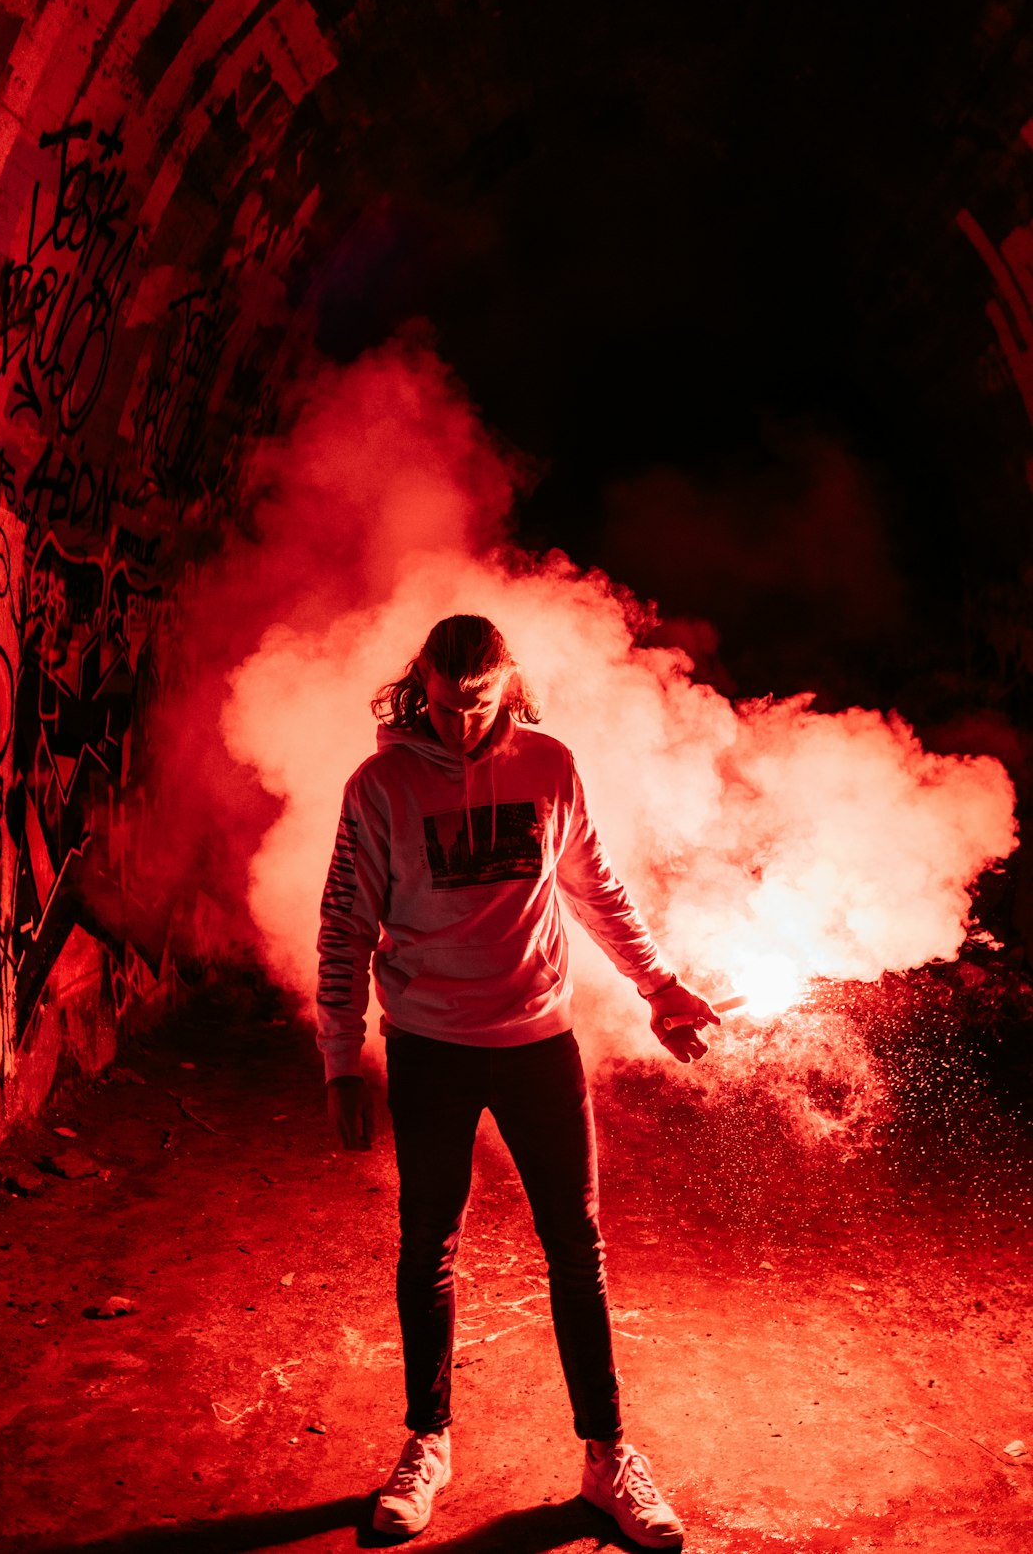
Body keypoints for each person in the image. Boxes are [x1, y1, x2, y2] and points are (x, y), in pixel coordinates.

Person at [316, 614, 718, 1549]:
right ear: (420, 684)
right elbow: (344, 926)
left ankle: (606, 1458)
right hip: (428, 1045)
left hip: (540, 1042)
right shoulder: (379, 785)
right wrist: (341, 1061)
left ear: (508, 687)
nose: (462, 724)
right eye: (448, 705)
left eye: (481, 704)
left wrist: (658, 987)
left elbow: (595, 889)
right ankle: (428, 1443)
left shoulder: (549, 765)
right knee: (430, 1244)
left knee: (577, 1247)